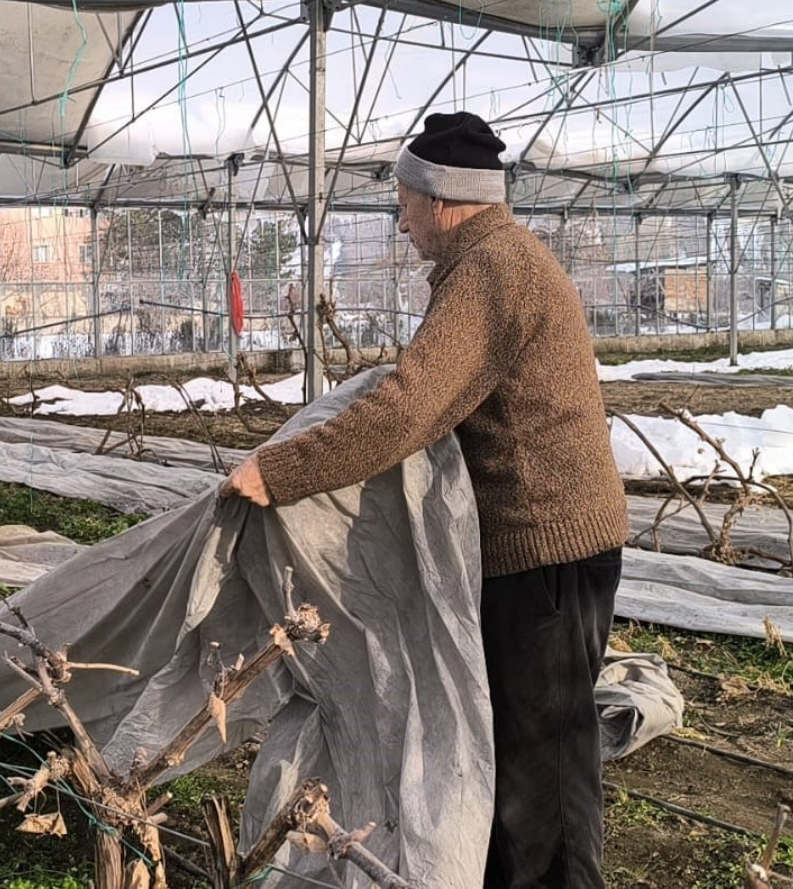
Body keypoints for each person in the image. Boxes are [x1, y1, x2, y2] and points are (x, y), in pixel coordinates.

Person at [221, 112, 629, 889]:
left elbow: (411, 409)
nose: (400, 221)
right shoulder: (499, 260)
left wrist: (282, 471)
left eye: (403, 201)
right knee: (521, 743)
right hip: (548, 544)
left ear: (440, 198)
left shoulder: (492, 271)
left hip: (547, 548)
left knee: (546, 757)